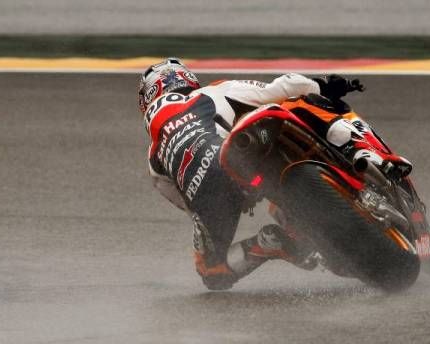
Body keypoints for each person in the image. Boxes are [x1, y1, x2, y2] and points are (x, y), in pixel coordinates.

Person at [138, 58, 365, 290]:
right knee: (297, 103)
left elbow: (189, 206)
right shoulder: (211, 91)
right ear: (186, 79)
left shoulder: (153, 157)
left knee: (212, 272)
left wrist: (230, 200)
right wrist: (324, 86)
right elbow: (280, 87)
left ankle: (269, 243)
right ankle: (354, 152)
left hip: (214, 191)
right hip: (241, 157)